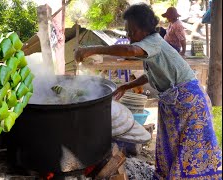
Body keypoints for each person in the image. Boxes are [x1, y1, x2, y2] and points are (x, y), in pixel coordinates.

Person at [74, 3, 222, 179]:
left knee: (191, 150)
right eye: (127, 32)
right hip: (174, 104)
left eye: (131, 32)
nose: (129, 37)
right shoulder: (150, 47)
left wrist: (92, 50)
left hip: (190, 105)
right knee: (173, 148)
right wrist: (124, 86)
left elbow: (130, 50)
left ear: (144, 29)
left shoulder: (153, 42)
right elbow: (149, 75)